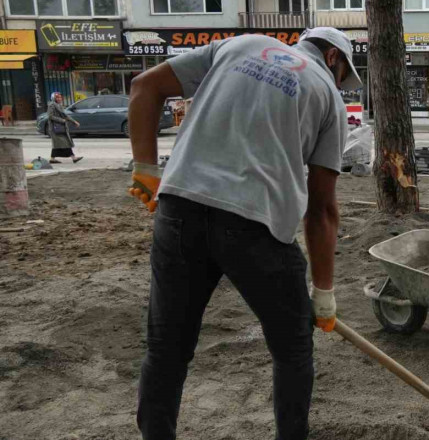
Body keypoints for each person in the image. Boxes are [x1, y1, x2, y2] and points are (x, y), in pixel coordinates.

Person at [127, 27, 360, 440]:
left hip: (180, 207)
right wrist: (323, 294)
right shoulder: (327, 95)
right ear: (333, 59)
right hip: (256, 225)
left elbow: (145, 86)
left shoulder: (239, 44)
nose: (341, 84)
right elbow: (321, 209)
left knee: (167, 349)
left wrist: (145, 167)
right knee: (292, 348)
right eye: (344, 76)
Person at [47, 92, 82, 164]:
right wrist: (62, 120)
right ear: (53, 98)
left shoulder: (58, 105)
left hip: (60, 127)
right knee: (65, 143)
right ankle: (73, 157)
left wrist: (74, 121)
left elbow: (65, 115)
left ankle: (52, 159)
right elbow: (50, 116)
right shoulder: (51, 105)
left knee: (58, 144)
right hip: (55, 128)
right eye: (57, 97)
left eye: (60, 97)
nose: (60, 99)